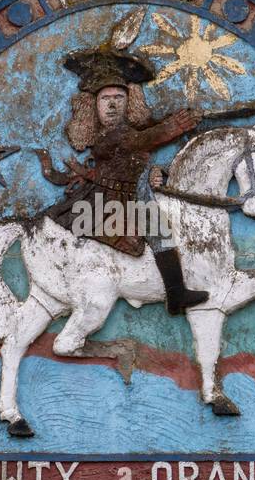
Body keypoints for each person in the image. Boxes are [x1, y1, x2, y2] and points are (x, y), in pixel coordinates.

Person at [41, 48, 210, 315]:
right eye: (105, 98)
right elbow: (137, 141)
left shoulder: (129, 130)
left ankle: (175, 292)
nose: (112, 104)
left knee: (162, 227)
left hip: (131, 190)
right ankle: (174, 294)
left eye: (119, 97)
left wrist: (158, 164)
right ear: (92, 106)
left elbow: (138, 150)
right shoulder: (108, 136)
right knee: (157, 230)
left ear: (129, 102)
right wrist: (175, 126)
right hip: (110, 201)